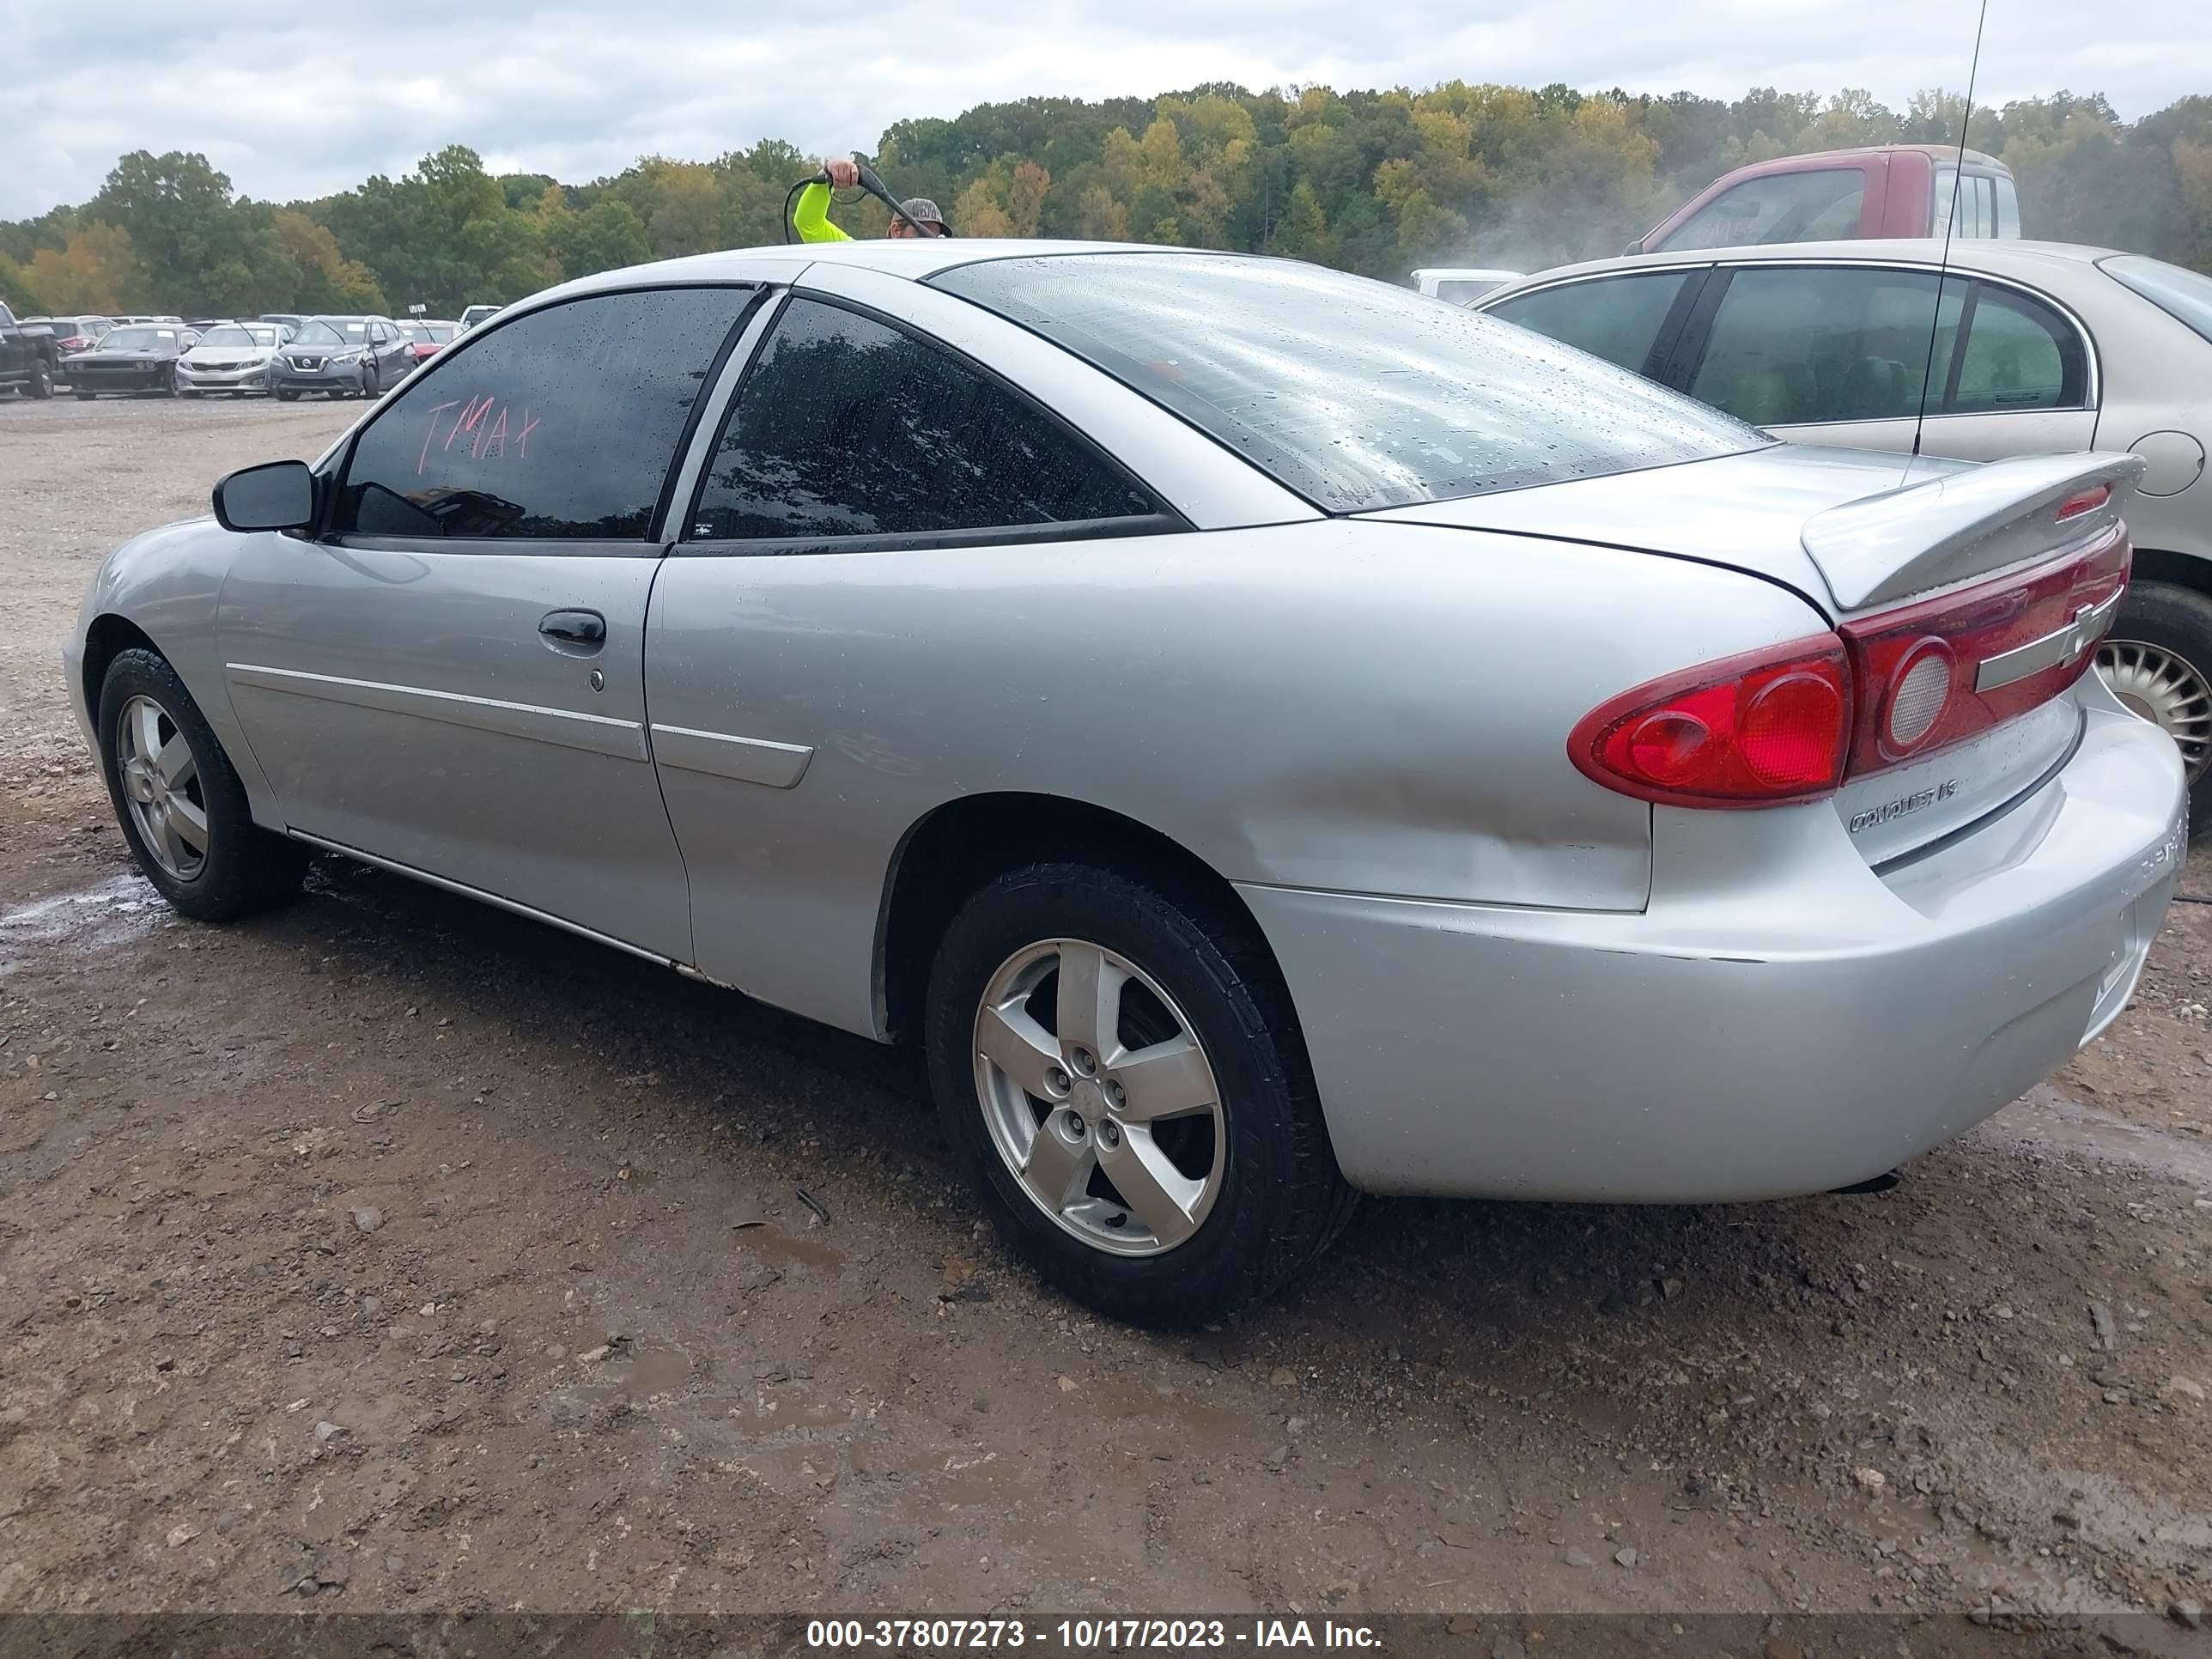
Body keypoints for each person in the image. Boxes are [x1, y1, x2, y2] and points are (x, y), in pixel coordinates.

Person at [792, 157, 948, 242]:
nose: (930, 242)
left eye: (936, 237)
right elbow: (809, 224)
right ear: (896, 231)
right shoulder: (864, 264)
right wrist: (828, 174)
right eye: (923, 233)